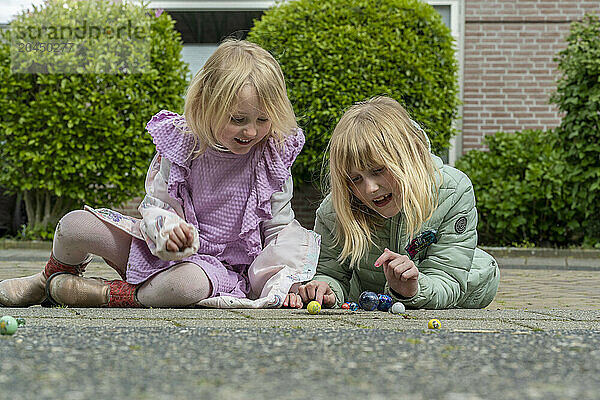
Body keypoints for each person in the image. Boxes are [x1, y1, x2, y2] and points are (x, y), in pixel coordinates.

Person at [0, 39, 319, 309]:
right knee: (73, 226)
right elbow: (158, 204)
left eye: (262, 120)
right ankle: (47, 280)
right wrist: (167, 231)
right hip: (158, 247)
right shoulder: (184, 144)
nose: (250, 131)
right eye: (237, 119)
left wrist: (284, 281)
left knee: (186, 286)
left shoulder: (270, 158)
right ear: (207, 104)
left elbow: (278, 228)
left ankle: (110, 294)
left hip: (215, 269)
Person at [298, 96, 499, 309]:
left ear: (410, 155)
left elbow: (447, 276)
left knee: (480, 268)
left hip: (434, 285)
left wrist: (414, 288)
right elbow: (331, 273)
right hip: (369, 292)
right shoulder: (334, 209)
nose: (370, 189)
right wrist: (326, 289)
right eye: (355, 179)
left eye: (378, 170)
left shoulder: (453, 190)